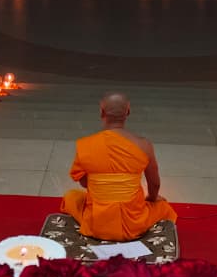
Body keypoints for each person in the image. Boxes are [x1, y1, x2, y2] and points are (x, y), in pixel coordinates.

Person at [60, 92, 176, 241]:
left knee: (71, 196)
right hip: (134, 224)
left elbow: (84, 183)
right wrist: (152, 199)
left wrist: (106, 188)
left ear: (102, 112)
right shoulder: (144, 145)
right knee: (163, 207)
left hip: (97, 224)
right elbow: (154, 184)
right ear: (128, 112)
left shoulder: (86, 145)